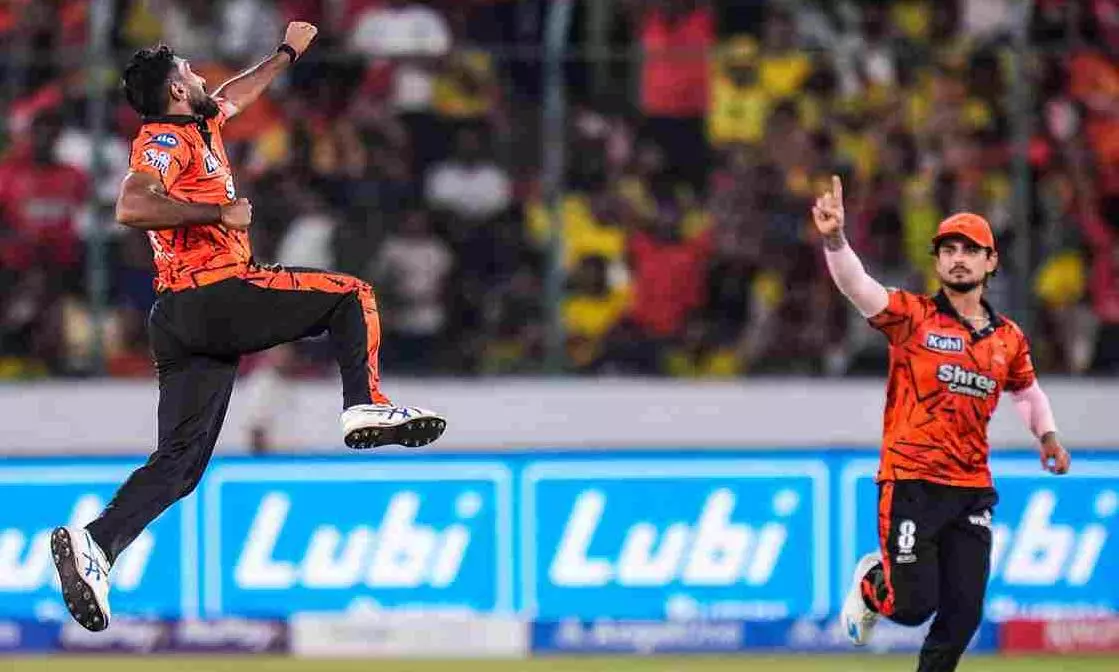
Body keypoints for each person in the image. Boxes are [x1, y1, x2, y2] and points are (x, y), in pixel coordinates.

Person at [50, 22, 447, 633]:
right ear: (175, 91)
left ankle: (97, 544)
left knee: (181, 465)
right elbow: (131, 204)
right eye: (189, 72)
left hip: (180, 320)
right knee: (351, 296)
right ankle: (364, 405)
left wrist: (286, 53)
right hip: (216, 293)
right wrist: (218, 211)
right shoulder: (163, 139)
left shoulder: (202, 124)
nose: (201, 77)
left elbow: (236, 93)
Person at [813, 176, 1070, 671]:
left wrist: (1048, 436)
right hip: (912, 482)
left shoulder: (1008, 338)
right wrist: (836, 240)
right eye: (948, 250)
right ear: (937, 262)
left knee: (964, 614)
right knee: (912, 607)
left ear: (991, 261)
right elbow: (859, 287)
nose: (958, 259)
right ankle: (872, 584)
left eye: (970, 250)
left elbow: (1025, 390)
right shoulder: (913, 317)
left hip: (970, 488)